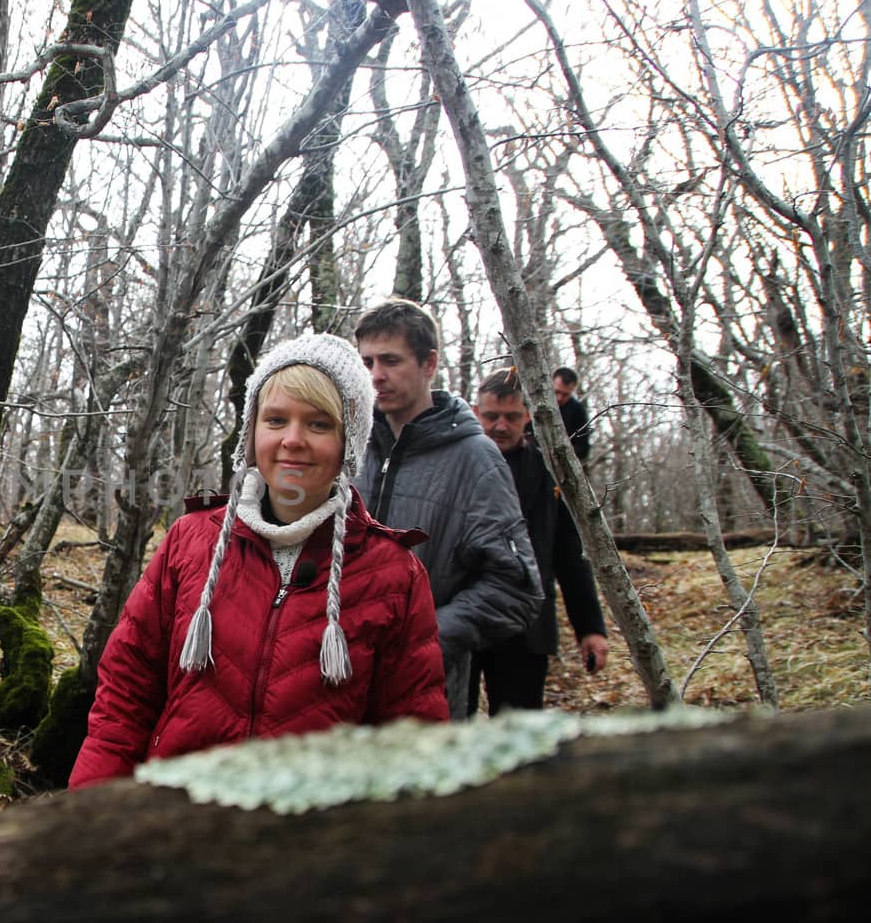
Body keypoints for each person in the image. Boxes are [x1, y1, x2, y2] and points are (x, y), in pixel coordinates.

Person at [69, 333, 449, 789]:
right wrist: (92, 812)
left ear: (350, 442)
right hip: (175, 823)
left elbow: (411, 740)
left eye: (318, 424)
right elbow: (125, 697)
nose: (292, 440)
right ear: (251, 432)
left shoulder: (393, 573)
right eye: (275, 420)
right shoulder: (190, 542)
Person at [353, 299, 543, 721]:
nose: (375, 376)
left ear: (429, 363)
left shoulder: (476, 459)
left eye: (390, 360)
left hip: (424, 700)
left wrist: (426, 640)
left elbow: (517, 587)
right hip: (337, 693)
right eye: (366, 362)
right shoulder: (350, 448)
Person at [471, 367, 609, 714]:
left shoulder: (549, 472)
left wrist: (590, 628)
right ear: (476, 414)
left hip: (526, 625)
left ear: (527, 416)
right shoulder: (454, 464)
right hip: (461, 619)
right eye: (491, 416)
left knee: (519, 739)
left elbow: (567, 552)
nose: (500, 426)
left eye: (511, 417)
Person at [552, 366, 591, 462]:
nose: (559, 398)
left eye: (565, 394)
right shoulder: (533, 403)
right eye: (557, 392)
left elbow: (583, 449)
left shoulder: (578, 411)